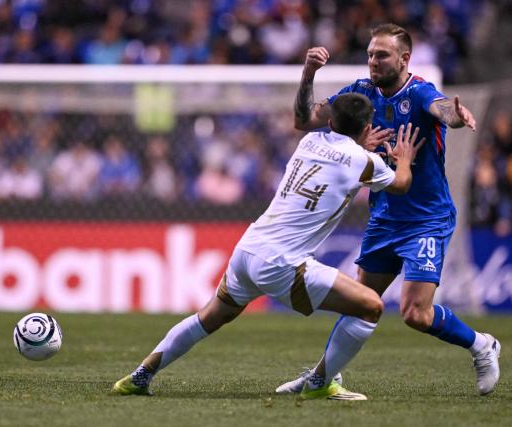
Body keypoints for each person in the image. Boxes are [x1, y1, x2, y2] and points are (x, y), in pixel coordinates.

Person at [112, 93, 425, 400]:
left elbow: (340, 156)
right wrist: (405, 161)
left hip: (248, 249)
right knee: (371, 306)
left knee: (209, 316)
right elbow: (401, 185)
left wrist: (357, 144)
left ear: (331, 121)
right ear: (368, 127)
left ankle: (141, 374)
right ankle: (320, 382)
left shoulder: (310, 141)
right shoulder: (364, 161)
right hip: (283, 263)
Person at [277, 23, 500, 397]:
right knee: (360, 304)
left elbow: (442, 109)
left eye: (381, 55)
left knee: (415, 314)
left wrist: (457, 114)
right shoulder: (361, 93)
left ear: (404, 58)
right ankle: (321, 377)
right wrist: (308, 73)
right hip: (384, 218)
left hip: (426, 218)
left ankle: (481, 345)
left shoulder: (419, 91)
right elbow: (304, 121)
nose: (373, 62)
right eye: (369, 54)